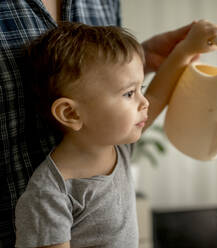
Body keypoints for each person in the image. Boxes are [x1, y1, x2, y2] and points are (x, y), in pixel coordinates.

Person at [0, 1, 203, 245]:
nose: (145, 102)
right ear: (71, 114)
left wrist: (186, 50)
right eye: (129, 93)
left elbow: (159, 95)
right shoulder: (49, 196)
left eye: (142, 89)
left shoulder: (118, 147)